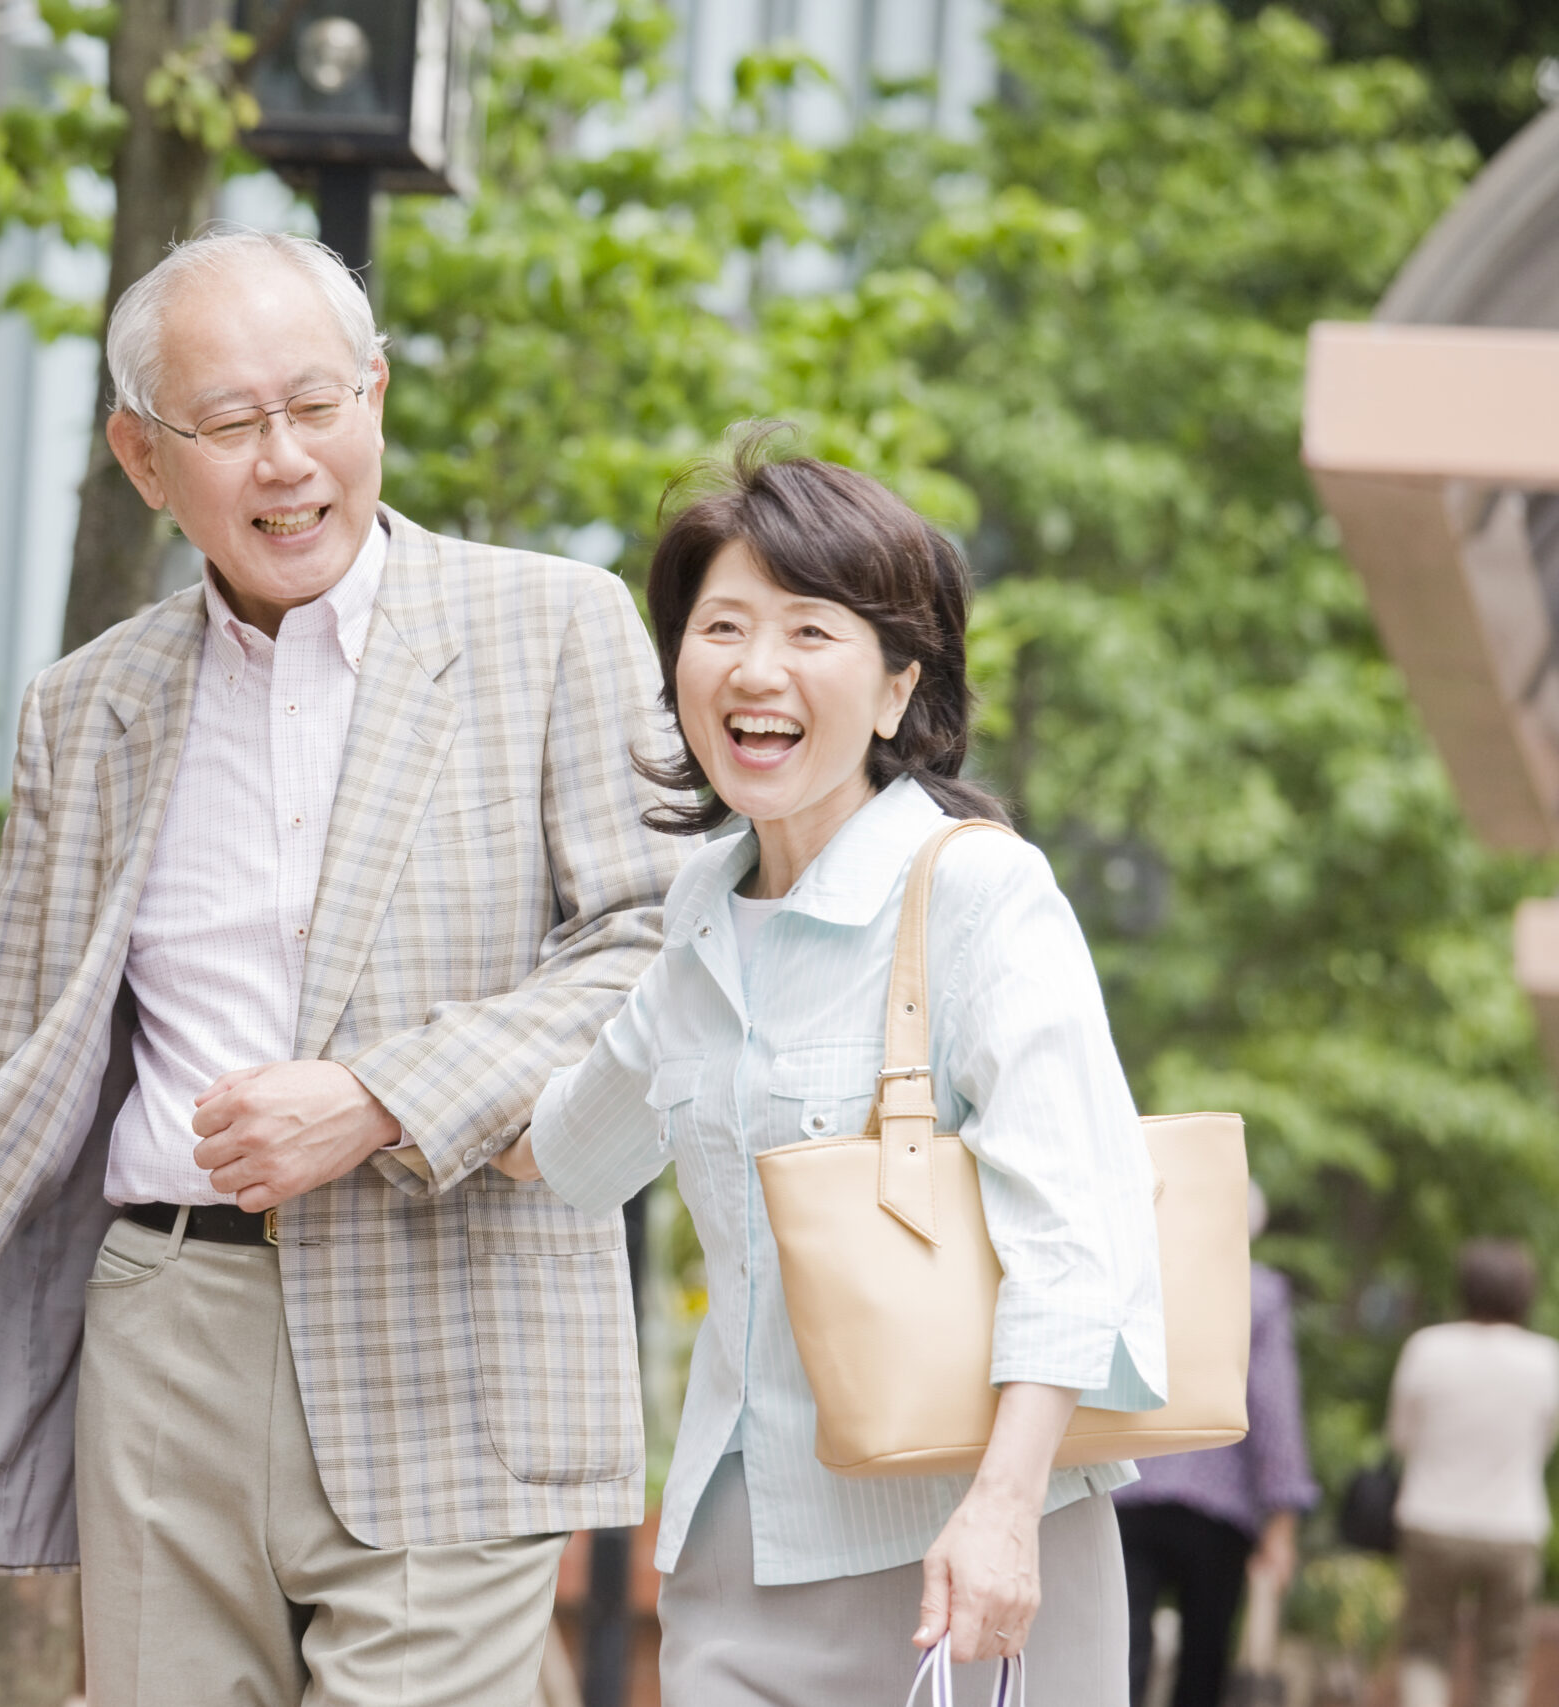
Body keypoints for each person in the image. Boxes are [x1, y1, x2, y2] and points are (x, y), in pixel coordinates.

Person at [0, 225, 681, 1706]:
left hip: (454, 1305)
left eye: (316, 405)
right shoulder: (82, 708)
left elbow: (657, 946)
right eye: (228, 424)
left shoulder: (555, 625)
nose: (285, 459)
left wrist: (377, 1095)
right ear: (145, 460)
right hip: (165, 1320)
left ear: (378, 397)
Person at [496, 428, 1167, 1704]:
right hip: (737, 1562)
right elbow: (559, 1155)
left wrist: (1004, 1511)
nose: (757, 669)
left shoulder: (977, 893)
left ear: (897, 688)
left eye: (810, 631)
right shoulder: (696, 918)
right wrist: (373, 1093)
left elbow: (1080, 1234)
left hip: (962, 1546)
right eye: (722, 627)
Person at [1113, 1183, 1319, 1707]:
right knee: (1203, 1663)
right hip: (1219, 1510)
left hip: (1130, 1488)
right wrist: (1283, 1518)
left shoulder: (1140, 1279)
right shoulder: (1258, 1293)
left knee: (1123, 1652)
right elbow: (1272, 1406)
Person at [1387, 1238, 1559, 1707]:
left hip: (1431, 1518)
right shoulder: (1546, 1359)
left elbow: (1401, 1438)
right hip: (1512, 1526)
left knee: (1425, 1650)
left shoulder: (1428, 1347)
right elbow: (1545, 1444)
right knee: (1503, 1663)